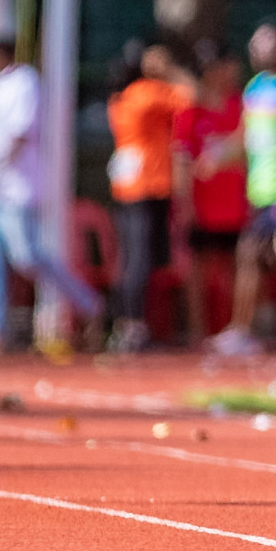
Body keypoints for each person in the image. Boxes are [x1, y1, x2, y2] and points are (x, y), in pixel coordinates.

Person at [0, 29, 104, 355]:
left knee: (26, 257)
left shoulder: (24, 82)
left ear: (3, 54)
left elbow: (19, 134)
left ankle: (88, 303)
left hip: (15, 189)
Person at [204, 21, 276, 357]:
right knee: (271, 260)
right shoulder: (254, 88)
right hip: (260, 192)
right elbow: (244, 137)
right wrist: (218, 154)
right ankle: (245, 330)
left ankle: (243, 330)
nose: (255, 47)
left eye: (264, 40)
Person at [105, 41, 195, 352]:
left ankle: (125, 323)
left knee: (129, 258)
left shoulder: (119, 99)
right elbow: (190, 96)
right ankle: (134, 326)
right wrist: (168, 70)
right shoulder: (148, 93)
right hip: (150, 183)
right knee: (141, 258)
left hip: (127, 185)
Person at [172, 40, 248, 343]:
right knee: (197, 271)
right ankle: (197, 331)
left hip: (234, 203)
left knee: (234, 268)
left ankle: (231, 331)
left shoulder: (240, 105)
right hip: (202, 203)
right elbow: (181, 158)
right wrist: (185, 202)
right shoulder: (190, 109)